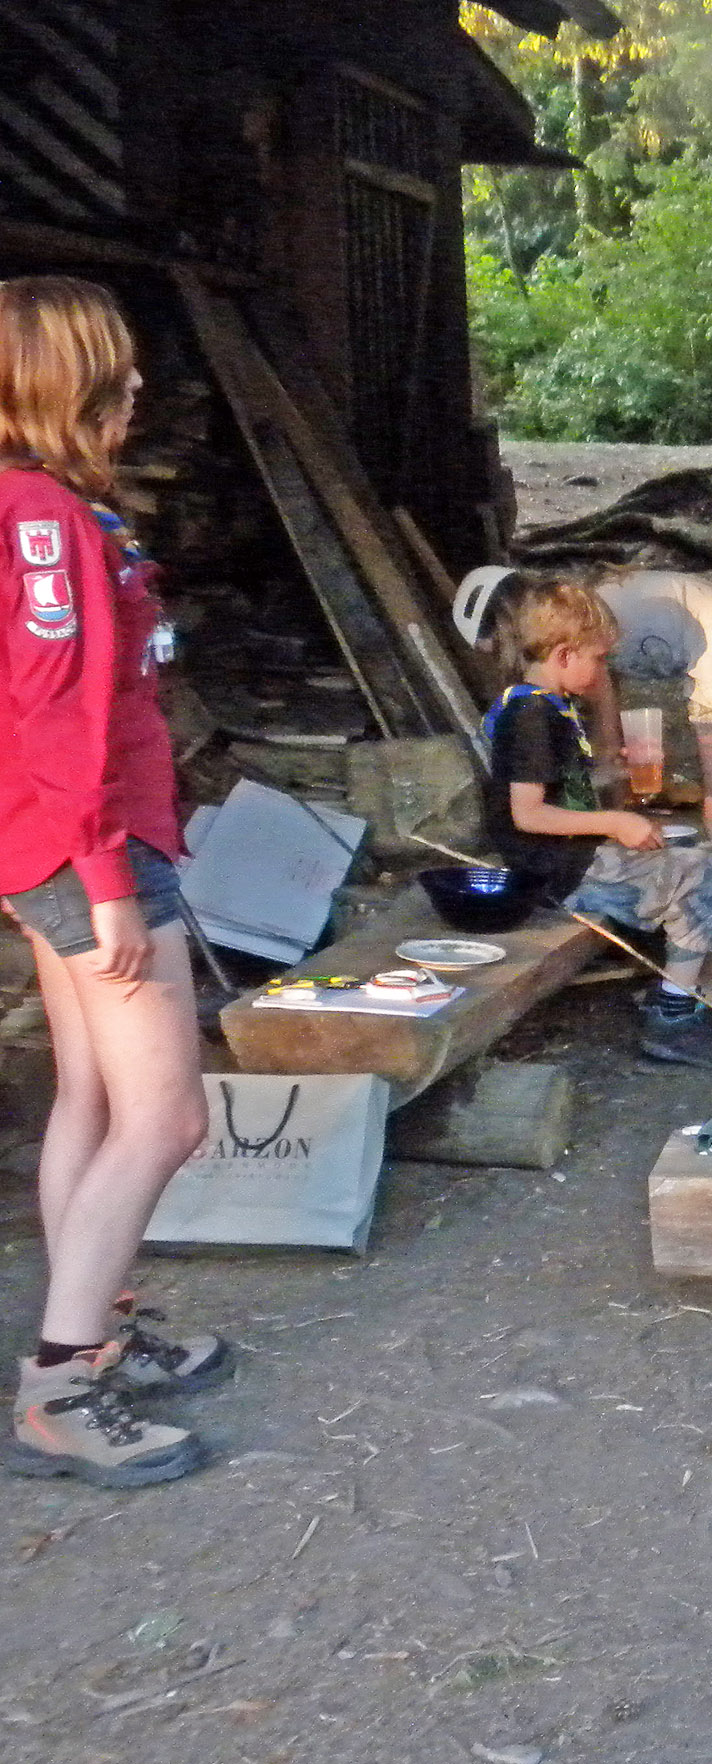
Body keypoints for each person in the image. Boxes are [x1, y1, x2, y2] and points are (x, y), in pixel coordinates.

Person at [0, 277, 224, 1488]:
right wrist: (106, 882)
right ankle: (59, 1388)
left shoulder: (50, 504)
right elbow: (55, 716)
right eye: (115, 366)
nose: (137, 385)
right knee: (167, 1118)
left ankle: (97, 1329)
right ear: (62, 382)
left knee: (89, 1097)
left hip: (55, 842)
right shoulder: (41, 517)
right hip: (88, 846)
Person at [454, 562, 712, 1001]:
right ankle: (677, 1000)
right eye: (600, 659)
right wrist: (615, 822)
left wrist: (614, 774)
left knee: (705, 860)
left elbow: (562, 786)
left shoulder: (551, 705)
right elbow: (528, 814)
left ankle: (681, 991)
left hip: (573, 858)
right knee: (704, 872)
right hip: (560, 872)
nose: (604, 669)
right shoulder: (531, 715)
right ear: (564, 656)